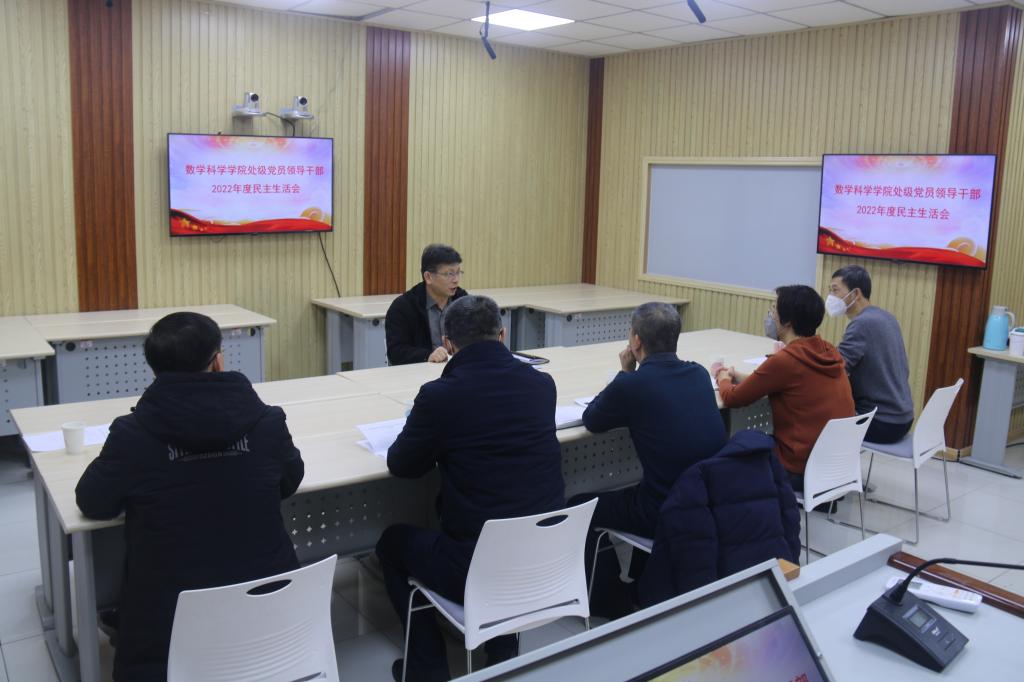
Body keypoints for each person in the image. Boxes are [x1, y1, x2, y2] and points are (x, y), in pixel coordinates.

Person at [75, 312, 304, 682]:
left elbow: (93, 502)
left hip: (166, 633)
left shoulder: (132, 434)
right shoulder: (267, 422)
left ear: (154, 371)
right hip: (267, 614)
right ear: (218, 361)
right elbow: (290, 481)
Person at [376, 295, 564, 682]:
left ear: (447, 344)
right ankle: (502, 652)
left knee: (391, 543)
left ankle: (426, 670)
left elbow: (402, 464)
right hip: (543, 558)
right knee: (510, 513)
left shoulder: (442, 396)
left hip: (476, 568)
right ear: (503, 335)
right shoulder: (542, 385)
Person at [574, 302, 727, 615]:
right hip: (705, 501)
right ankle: (640, 582)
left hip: (663, 509)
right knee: (644, 485)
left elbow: (592, 419)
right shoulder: (699, 374)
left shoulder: (632, 384)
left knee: (579, 506)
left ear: (636, 341)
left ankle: (604, 600)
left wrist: (624, 373)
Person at [715, 285, 855, 492]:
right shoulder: (827, 351)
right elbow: (781, 382)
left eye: (774, 309)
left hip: (797, 467)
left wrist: (722, 378)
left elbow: (732, 399)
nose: (771, 315)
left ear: (787, 321)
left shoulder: (787, 360)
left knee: (733, 446)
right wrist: (741, 378)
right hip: (834, 466)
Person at [828, 265, 915, 443]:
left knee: (816, 417)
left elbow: (836, 368)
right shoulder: (886, 317)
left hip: (880, 422)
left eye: (835, 290)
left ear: (855, 293)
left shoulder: (862, 324)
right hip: (902, 417)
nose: (830, 296)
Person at [385, 243, 468, 366]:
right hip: (420, 372)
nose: (456, 280)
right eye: (449, 274)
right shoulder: (403, 307)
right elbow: (396, 352)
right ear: (428, 277)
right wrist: (427, 356)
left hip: (458, 369)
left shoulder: (464, 302)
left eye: (458, 272)